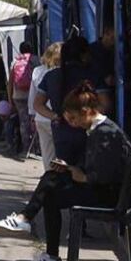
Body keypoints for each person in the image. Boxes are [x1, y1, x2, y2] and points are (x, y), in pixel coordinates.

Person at [0, 82, 131, 261]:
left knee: (51, 188)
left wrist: (76, 173)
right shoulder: (99, 130)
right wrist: (70, 169)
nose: (74, 124)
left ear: (87, 111)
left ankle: (28, 223)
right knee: (51, 184)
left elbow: (98, 176)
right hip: (105, 188)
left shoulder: (105, 133)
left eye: (74, 119)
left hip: (110, 195)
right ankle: (38, 239)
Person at [32, 36, 101, 168]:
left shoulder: (51, 76)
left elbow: (37, 104)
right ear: (84, 54)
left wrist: (55, 116)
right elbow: (105, 103)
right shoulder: (92, 74)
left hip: (61, 130)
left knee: (64, 170)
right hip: (87, 131)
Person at [28, 42, 62, 167]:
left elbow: (33, 95)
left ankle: (48, 179)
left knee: (47, 155)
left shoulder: (37, 71)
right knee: (61, 154)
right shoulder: (59, 73)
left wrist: (32, 114)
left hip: (41, 117)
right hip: (56, 116)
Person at [7, 41, 39, 158]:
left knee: (23, 123)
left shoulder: (16, 60)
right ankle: (36, 149)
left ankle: (26, 149)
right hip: (33, 95)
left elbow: (10, 82)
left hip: (18, 96)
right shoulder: (35, 60)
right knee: (35, 121)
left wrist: (10, 98)